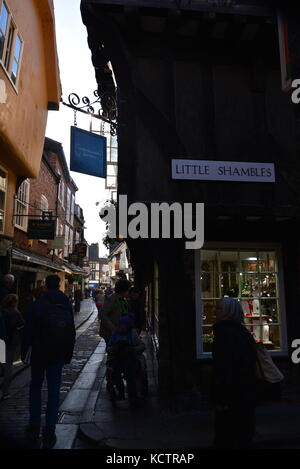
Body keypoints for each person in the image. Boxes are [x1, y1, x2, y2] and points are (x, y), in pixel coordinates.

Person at [21, 275, 76, 449]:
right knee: (54, 391)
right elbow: (71, 330)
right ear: (59, 285)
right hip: (58, 353)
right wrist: (69, 353)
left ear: (45, 285)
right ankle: (50, 429)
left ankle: (34, 424)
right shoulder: (65, 302)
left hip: (39, 353)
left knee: (35, 388)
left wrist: (24, 353)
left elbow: (28, 330)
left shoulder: (38, 304)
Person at [212, 297, 257, 449]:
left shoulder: (223, 334)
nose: (214, 311)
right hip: (245, 394)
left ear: (227, 313)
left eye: (218, 309)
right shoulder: (243, 333)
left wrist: (222, 399)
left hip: (232, 396)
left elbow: (224, 368)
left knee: (227, 437)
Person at [106, 314, 145, 402]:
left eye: (121, 326)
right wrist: (112, 349)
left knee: (130, 373)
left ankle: (133, 394)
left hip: (130, 358)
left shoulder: (132, 334)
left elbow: (142, 346)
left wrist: (133, 349)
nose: (119, 328)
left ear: (126, 326)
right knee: (115, 373)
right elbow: (108, 348)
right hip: (117, 358)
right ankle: (121, 391)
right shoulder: (114, 334)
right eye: (119, 326)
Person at [1, 294, 24, 399]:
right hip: (10, 342)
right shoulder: (16, 313)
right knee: (8, 366)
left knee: (3, 364)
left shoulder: (2, 312)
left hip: (2, 341)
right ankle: (5, 391)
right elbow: (22, 325)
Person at [100, 279, 131, 344]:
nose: (129, 291)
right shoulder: (112, 299)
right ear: (123, 290)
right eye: (128, 289)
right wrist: (113, 328)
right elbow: (103, 314)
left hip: (121, 332)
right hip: (112, 334)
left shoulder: (123, 299)